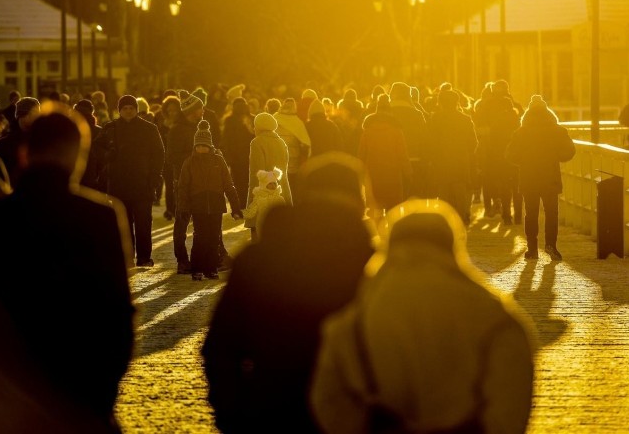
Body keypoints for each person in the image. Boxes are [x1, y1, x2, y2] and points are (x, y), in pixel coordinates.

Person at [0, 102, 135, 432]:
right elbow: (118, 315)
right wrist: (101, 394)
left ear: (25, 154)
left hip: (1, 405)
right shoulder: (101, 218)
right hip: (78, 399)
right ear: (76, 156)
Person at [310, 199, 535, 434]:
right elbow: (511, 400)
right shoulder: (494, 317)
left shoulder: (353, 321)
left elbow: (328, 400)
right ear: (452, 245)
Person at [203, 152, 373, 434]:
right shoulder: (373, 264)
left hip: (268, 409)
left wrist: (231, 414)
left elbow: (221, 346)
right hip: (350, 415)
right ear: (359, 201)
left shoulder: (258, 258)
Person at [93, 94, 164, 267]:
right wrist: (108, 157)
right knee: (123, 224)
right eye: (125, 108)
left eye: (131, 108)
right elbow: (96, 148)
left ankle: (144, 257)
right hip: (118, 184)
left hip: (143, 183)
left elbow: (159, 154)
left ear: (136, 110)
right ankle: (127, 256)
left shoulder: (149, 129)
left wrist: (154, 179)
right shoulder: (111, 128)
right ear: (119, 110)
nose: (128, 111)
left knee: (143, 223)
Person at [506, 95, 576, 260]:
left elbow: (510, 155)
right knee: (552, 213)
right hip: (550, 177)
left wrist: (523, 160)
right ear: (548, 113)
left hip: (529, 177)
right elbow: (570, 151)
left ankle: (532, 249)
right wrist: (557, 157)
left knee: (531, 214)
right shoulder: (557, 130)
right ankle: (551, 246)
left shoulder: (521, 132)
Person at [176, 120, 243, 280]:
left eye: (204, 145)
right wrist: (183, 208)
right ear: (195, 146)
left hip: (215, 204)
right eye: (198, 145)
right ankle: (197, 268)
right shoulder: (189, 162)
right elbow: (183, 187)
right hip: (198, 205)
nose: (201, 148)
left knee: (214, 238)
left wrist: (236, 207)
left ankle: (211, 268)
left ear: (210, 146)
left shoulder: (218, 161)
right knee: (200, 237)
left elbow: (228, 184)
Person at [166, 89, 207, 273]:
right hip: (182, 182)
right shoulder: (177, 130)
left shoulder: (201, 128)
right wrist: (193, 157)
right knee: (182, 222)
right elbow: (172, 157)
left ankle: (204, 258)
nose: (203, 111)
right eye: (200, 108)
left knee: (203, 221)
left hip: (201, 180)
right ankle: (182, 260)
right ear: (192, 111)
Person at [426, 89, 478, 225]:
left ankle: (444, 221)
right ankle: (460, 220)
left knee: (443, 191)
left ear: (440, 103)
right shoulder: (465, 119)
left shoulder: (435, 119)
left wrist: (433, 157)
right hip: (460, 161)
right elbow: (473, 142)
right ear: (457, 102)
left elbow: (430, 141)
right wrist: (466, 153)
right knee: (460, 191)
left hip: (441, 162)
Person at [359, 94, 412, 220]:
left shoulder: (367, 130)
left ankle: (376, 236)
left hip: (373, 175)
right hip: (392, 175)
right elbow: (402, 154)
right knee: (393, 212)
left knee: (374, 209)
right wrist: (408, 172)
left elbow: (361, 153)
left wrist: (359, 175)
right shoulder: (397, 130)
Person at [245, 112, 292, 241]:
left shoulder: (257, 142)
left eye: (255, 126)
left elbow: (256, 173)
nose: (254, 129)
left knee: (259, 232)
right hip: (282, 191)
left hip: (264, 193)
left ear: (260, 127)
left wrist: (253, 200)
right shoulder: (281, 142)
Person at [0, 96, 40, 188]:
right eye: (35, 113)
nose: (38, 116)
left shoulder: (40, 141)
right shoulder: (3, 145)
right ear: (23, 114)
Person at [242, 167, 287, 240]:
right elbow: (251, 211)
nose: (273, 186)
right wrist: (240, 214)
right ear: (263, 184)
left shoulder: (279, 198)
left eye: (274, 183)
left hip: (277, 225)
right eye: (270, 184)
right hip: (262, 225)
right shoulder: (258, 198)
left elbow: (285, 213)